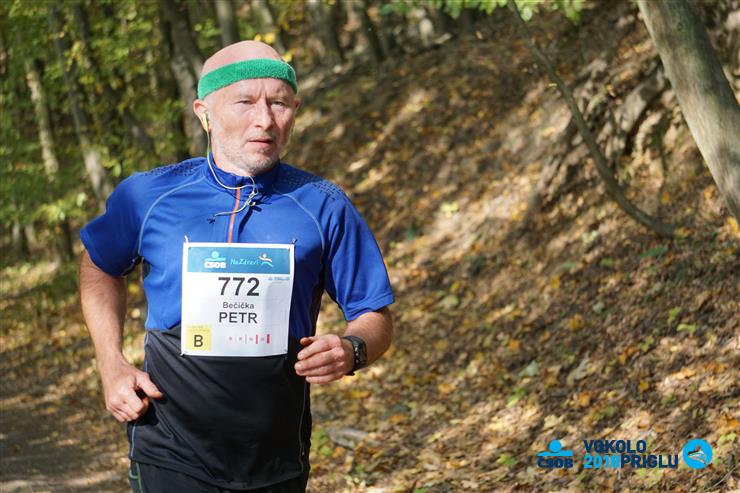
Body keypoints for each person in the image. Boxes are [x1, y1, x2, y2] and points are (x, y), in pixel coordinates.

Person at [78, 40, 394, 492]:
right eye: (245, 102)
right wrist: (110, 363)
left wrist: (352, 350)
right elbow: (99, 266)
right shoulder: (149, 196)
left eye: (278, 103)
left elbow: (374, 314)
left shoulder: (323, 206)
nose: (264, 119)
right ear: (204, 112)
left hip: (275, 456)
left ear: (294, 111)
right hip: (169, 448)